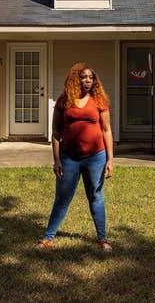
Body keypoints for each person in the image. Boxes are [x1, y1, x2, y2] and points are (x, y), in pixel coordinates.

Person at [36, 62, 114, 252]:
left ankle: (103, 239)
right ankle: (48, 238)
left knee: (95, 196)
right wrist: (56, 159)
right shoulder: (64, 101)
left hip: (95, 157)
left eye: (91, 77)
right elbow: (56, 132)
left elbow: (106, 130)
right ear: (75, 79)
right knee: (62, 198)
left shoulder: (99, 100)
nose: (88, 80)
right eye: (84, 77)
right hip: (68, 157)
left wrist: (110, 159)